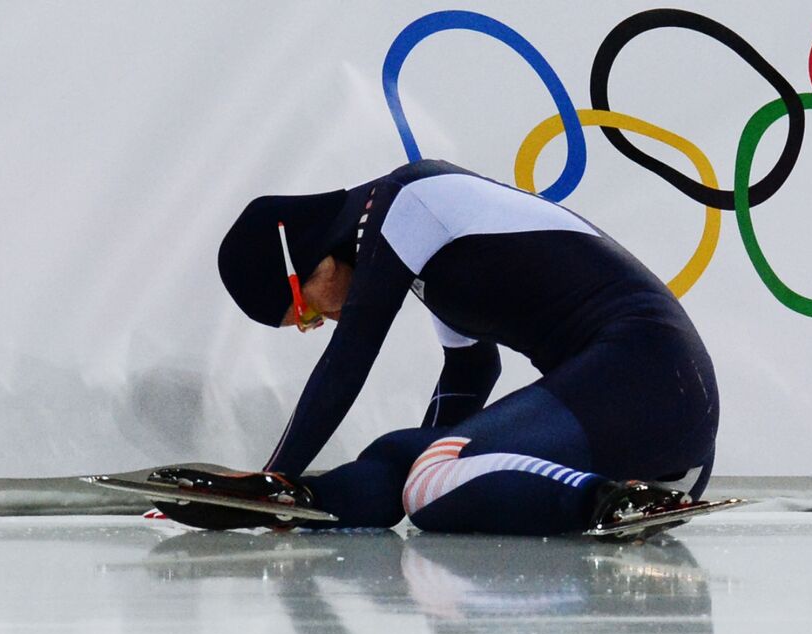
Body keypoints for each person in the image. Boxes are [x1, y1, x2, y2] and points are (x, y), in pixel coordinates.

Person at [209, 158, 719, 536]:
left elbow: (348, 360)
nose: (315, 324)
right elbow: (471, 370)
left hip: (653, 378)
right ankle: (303, 500)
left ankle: (610, 502)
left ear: (309, 262)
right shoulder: (419, 250)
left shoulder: (407, 203)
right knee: (405, 461)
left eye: (304, 311)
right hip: (642, 417)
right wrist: (290, 494)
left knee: (432, 482)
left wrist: (273, 473)